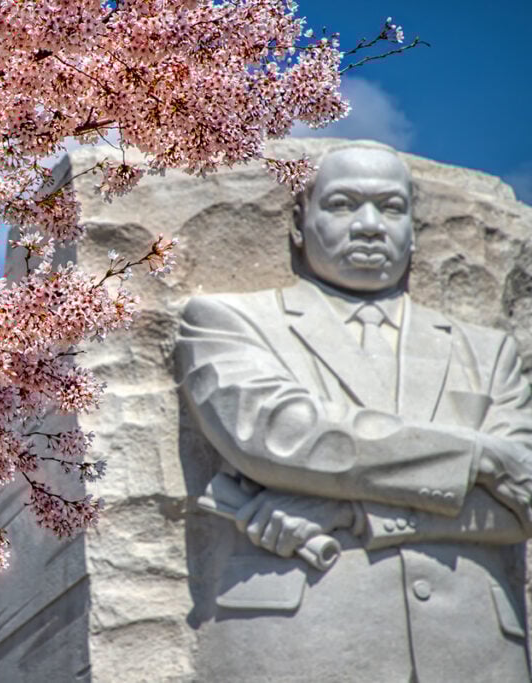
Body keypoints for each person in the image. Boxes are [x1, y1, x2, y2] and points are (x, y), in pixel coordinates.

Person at [176, 141, 532, 682]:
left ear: (415, 228)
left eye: (391, 207)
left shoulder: (488, 351)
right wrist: (480, 456)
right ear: (298, 223)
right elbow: (282, 436)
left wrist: (351, 514)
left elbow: (522, 501)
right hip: (300, 642)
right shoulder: (229, 321)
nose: (369, 226)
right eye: (343, 204)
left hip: (477, 652)